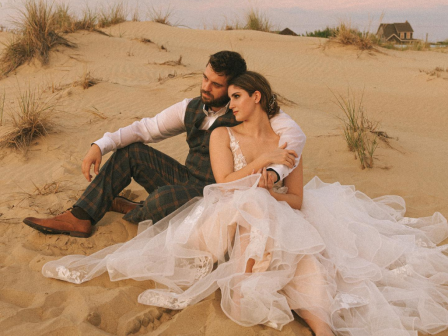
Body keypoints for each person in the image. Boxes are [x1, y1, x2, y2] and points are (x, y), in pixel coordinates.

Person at [42, 71, 448, 335]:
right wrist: (262, 168)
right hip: (218, 207)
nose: (225, 104)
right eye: (220, 91)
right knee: (247, 200)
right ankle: (91, 213)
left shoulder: (288, 137)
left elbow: (296, 198)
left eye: (232, 95)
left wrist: (272, 188)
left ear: (255, 96)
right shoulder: (220, 131)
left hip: (250, 213)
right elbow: (220, 179)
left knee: (292, 231)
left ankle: (317, 321)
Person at [23, 51, 304, 238]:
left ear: (234, 87)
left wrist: (275, 172)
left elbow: (293, 138)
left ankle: (135, 208)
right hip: (186, 179)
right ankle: (81, 216)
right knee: (132, 151)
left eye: (216, 85)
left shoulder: (249, 110)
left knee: (161, 200)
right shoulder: (191, 107)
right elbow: (146, 129)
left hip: (217, 193)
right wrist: (101, 144)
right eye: (205, 78)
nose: (206, 87)